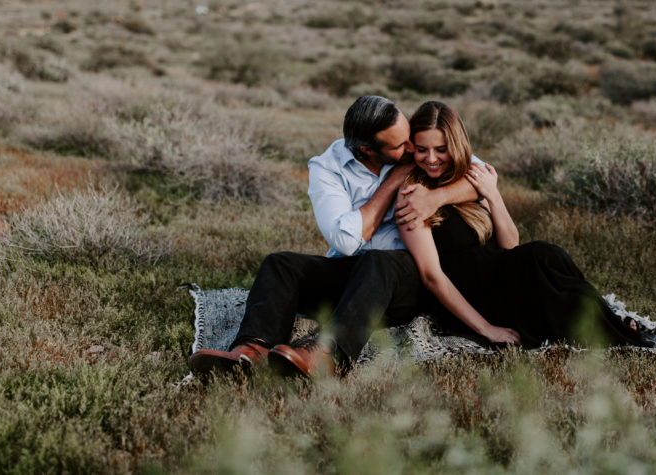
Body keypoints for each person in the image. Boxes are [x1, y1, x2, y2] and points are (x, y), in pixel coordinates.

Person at [187, 95, 480, 378]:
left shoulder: (416, 147)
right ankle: (252, 351)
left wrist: (437, 197)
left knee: (378, 262)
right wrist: (392, 183)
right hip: (356, 273)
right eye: (401, 146)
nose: (412, 149)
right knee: (280, 264)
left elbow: (480, 174)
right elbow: (346, 242)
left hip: (407, 279)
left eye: (409, 139)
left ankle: (326, 355)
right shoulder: (328, 168)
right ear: (367, 150)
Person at [398, 101, 652, 350]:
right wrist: (487, 329)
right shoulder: (412, 194)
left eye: (441, 149)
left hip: (499, 279)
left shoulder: (470, 179)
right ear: (412, 148)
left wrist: (493, 195)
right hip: (469, 298)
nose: (431, 158)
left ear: (456, 145)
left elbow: (511, 244)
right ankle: (609, 328)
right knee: (548, 279)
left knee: (546, 255)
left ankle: (605, 320)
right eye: (422, 150)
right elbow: (431, 276)